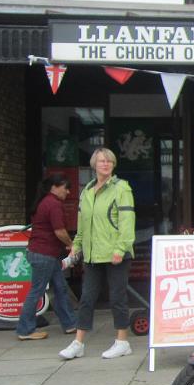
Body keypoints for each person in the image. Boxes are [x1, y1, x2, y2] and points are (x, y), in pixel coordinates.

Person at [59, 147, 136, 360]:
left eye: (109, 161)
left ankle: (122, 341)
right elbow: (83, 223)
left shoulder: (121, 188)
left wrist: (120, 249)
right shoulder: (87, 191)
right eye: (101, 161)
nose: (105, 164)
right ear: (94, 164)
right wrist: (77, 245)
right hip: (93, 254)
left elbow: (127, 222)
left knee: (117, 298)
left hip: (115, 254)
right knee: (87, 298)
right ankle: (78, 343)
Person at [15, 174, 78, 340]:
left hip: (45, 254)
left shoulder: (44, 202)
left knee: (60, 288)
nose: (68, 191)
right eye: (65, 187)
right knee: (37, 291)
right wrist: (71, 245)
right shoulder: (53, 204)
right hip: (44, 254)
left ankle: (70, 324)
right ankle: (25, 330)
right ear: (55, 187)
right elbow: (59, 231)